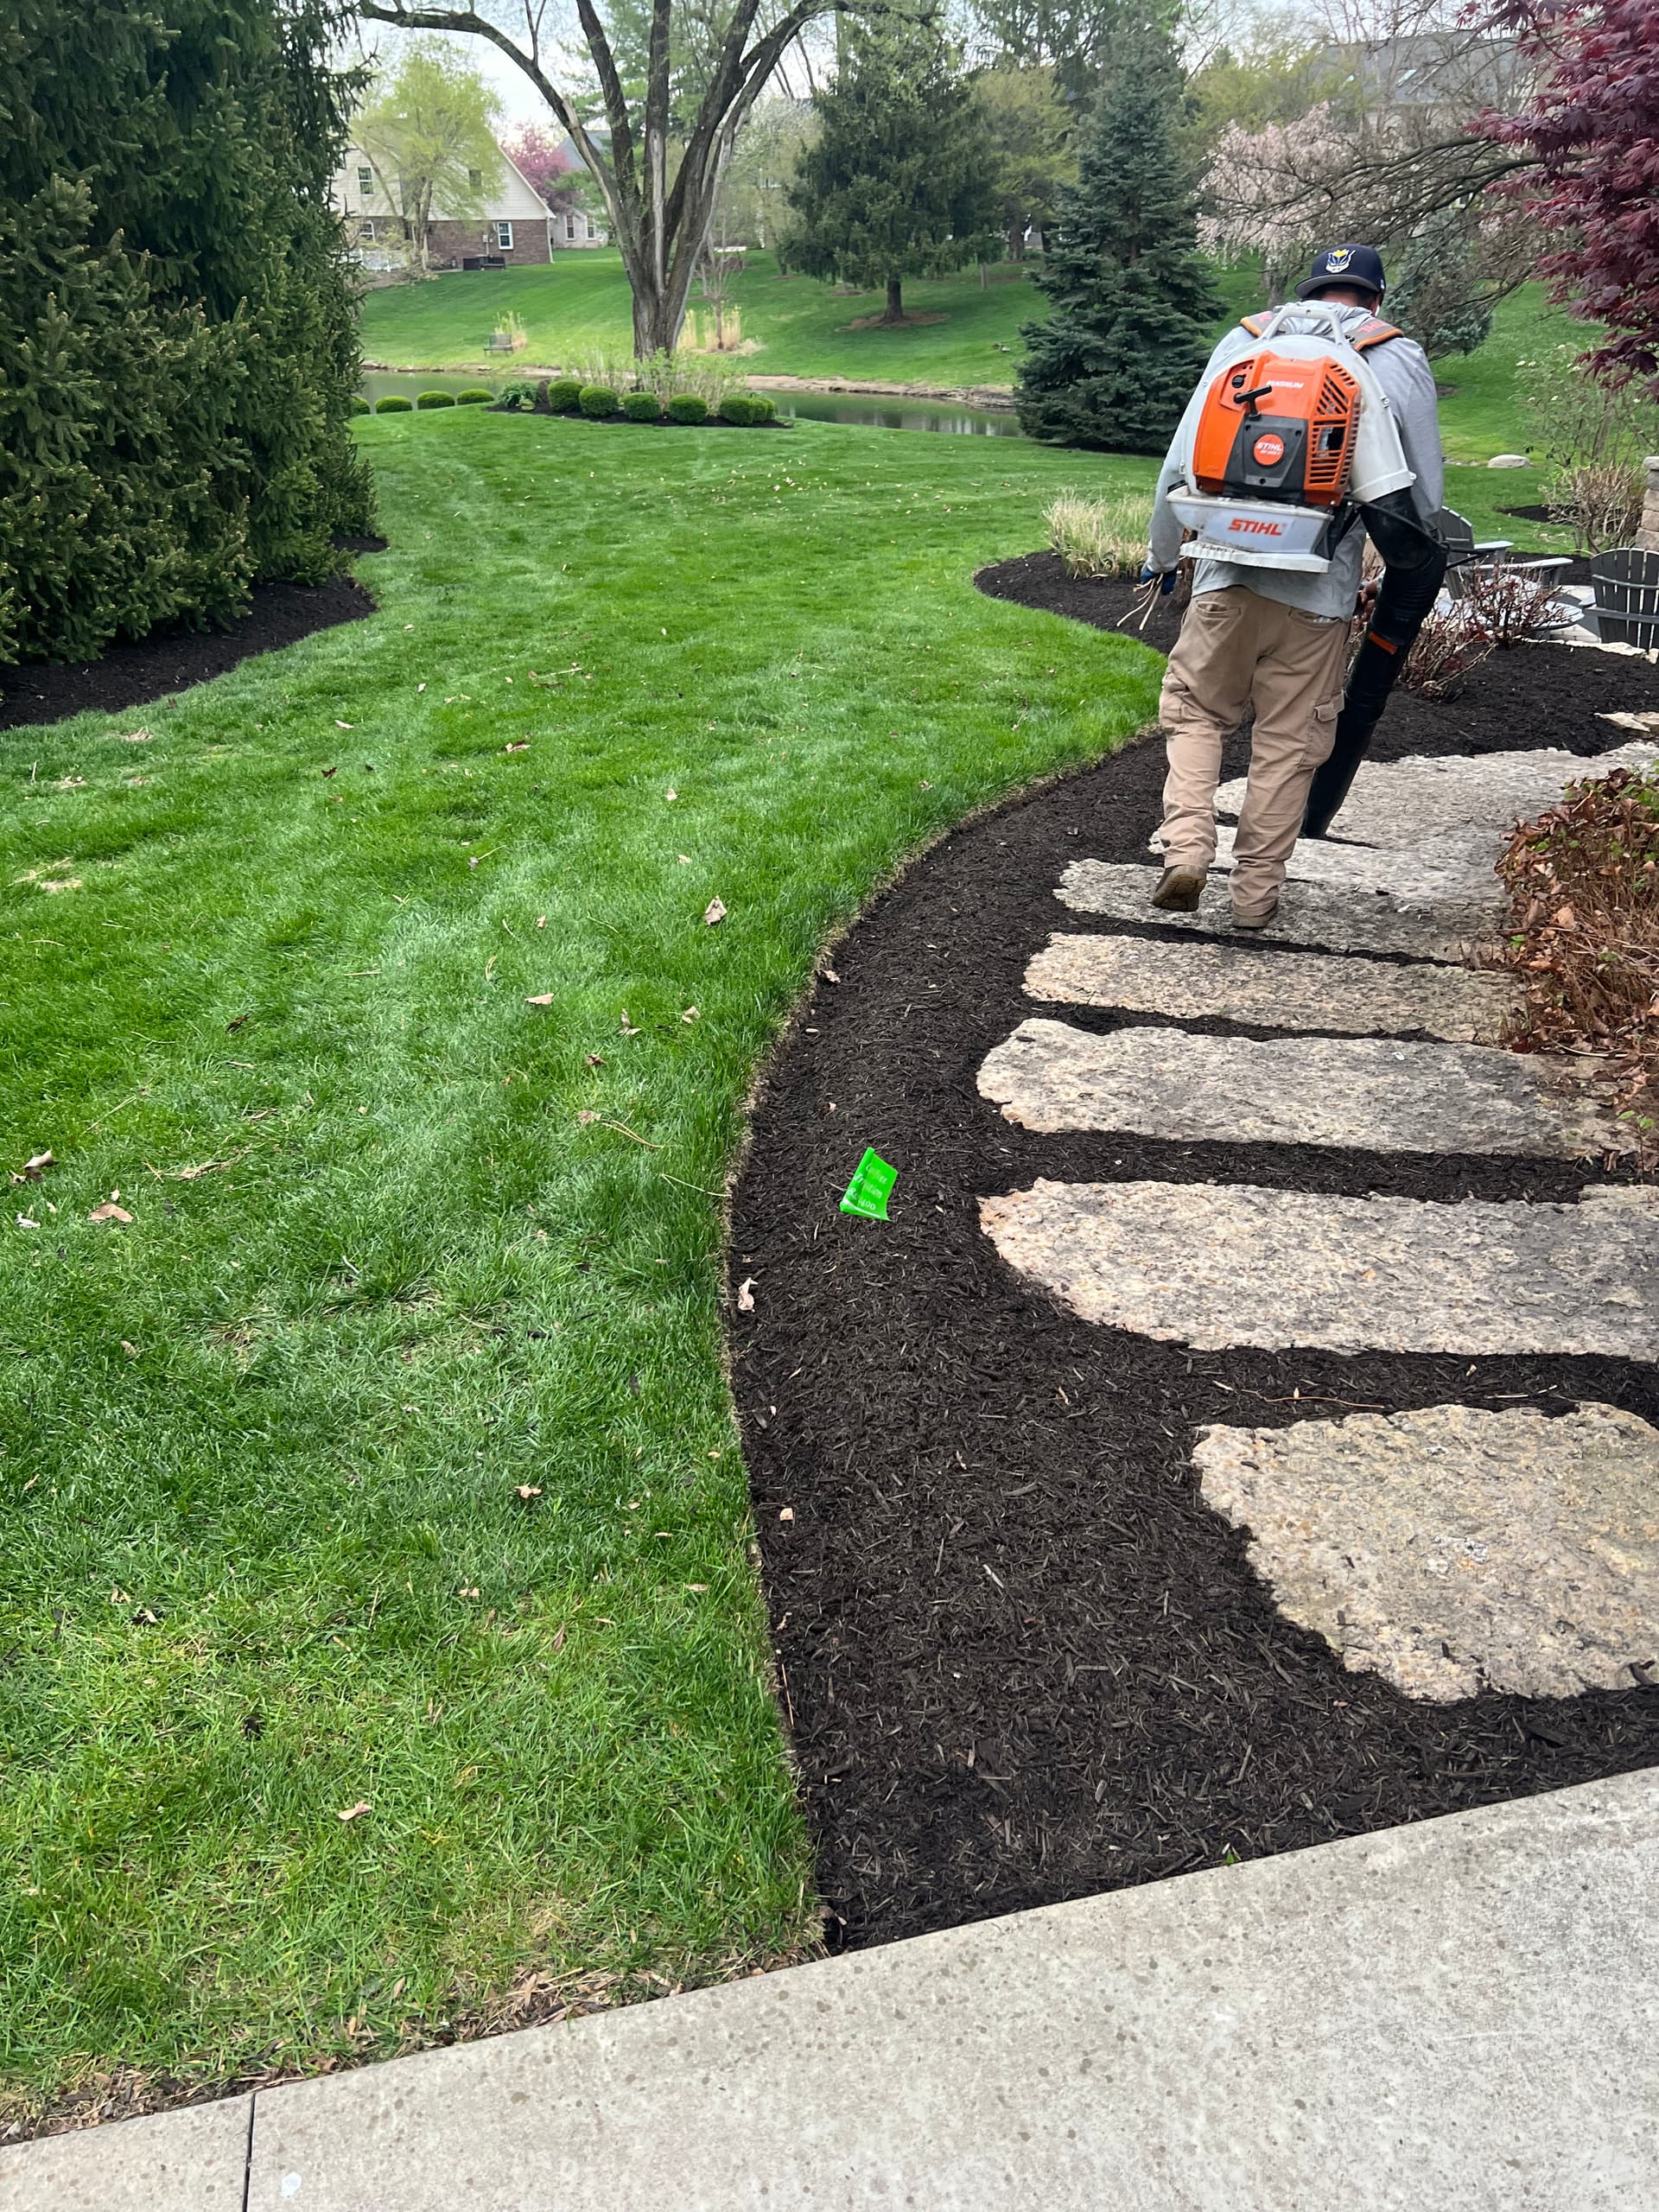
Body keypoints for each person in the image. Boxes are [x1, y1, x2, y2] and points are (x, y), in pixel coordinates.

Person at [1141, 244, 1445, 926]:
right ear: (1376, 300)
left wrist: (1162, 558)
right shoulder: (1394, 355)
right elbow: (1418, 501)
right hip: (1319, 595)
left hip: (1225, 578)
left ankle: (1188, 850)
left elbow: (1177, 466)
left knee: (1195, 713)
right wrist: (1398, 579)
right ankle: (1254, 901)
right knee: (1287, 743)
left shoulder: (1245, 340)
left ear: (1306, 294)